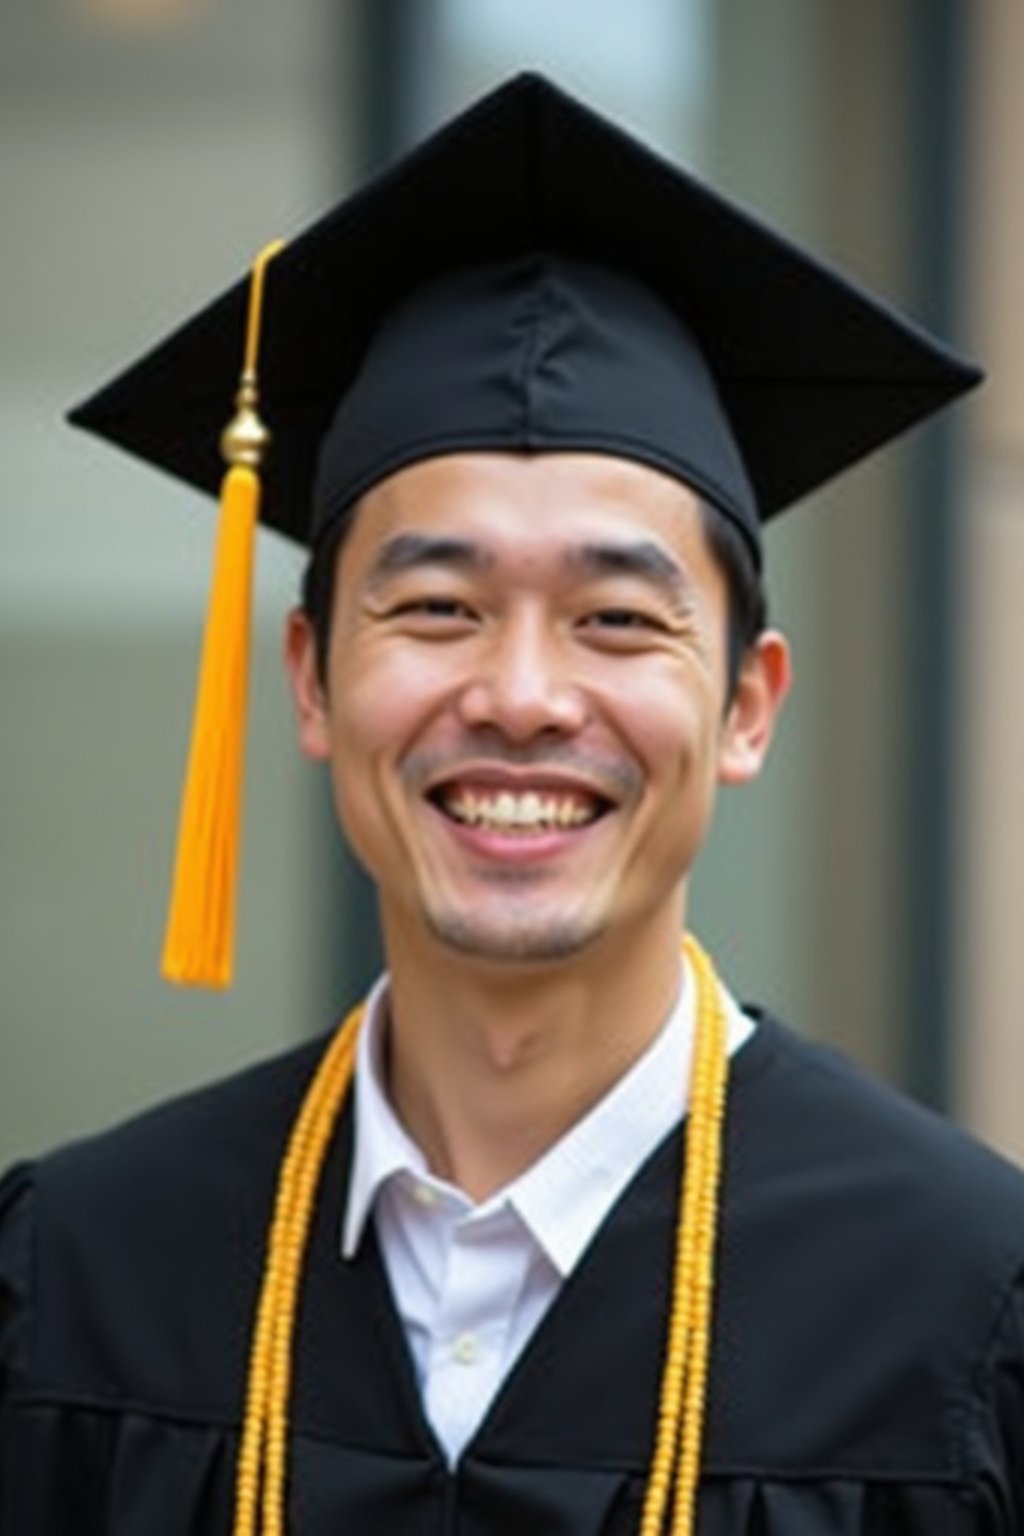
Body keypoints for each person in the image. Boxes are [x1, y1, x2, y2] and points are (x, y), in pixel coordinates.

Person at [1, 74, 1021, 1536]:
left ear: (746, 705)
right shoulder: (85, 1278)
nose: (524, 695)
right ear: (310, 680)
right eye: (436, 606)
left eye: (617, 620)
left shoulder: (963, 1310)